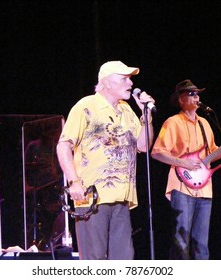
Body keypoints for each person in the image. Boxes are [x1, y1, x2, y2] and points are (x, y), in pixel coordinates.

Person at [56, 60, 155, 260]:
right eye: (124, 78)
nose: (130, 84)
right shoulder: (86, 106)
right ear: (107, 82)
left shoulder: (127, 110)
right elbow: (63, 145)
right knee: (95, 259)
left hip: (122, 197)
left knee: (123, 259)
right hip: (91, 196)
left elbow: (143, 146)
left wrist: (147, 116)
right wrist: (73, 181)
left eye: (130, 79)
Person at [151, 79, 221, 260]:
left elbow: (212, 154)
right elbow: (157, 152)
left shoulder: (205, 123)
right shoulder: (172, 123)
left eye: (197, 94)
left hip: (204, 186)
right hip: (181, 185)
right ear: (180, 99)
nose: (196, 97)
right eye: (191, 94)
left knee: (201, 243)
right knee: (182, 241)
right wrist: (182, 163)